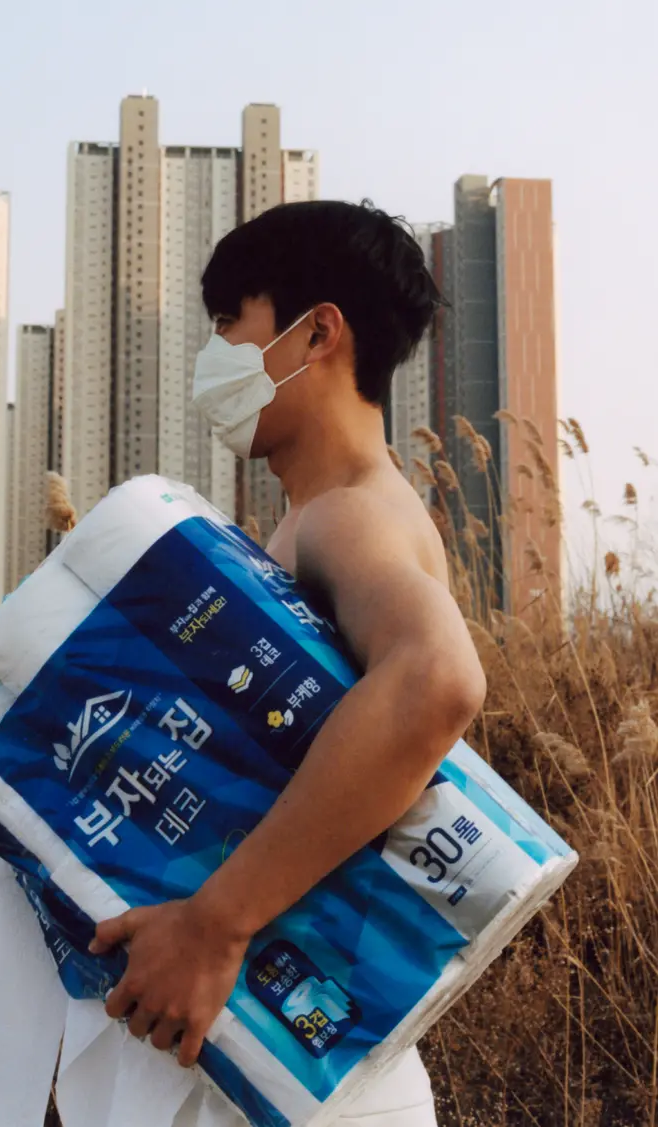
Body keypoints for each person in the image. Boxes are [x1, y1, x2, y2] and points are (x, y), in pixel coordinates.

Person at [88, 200, 487, 1124]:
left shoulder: (348, 514)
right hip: (315, 1059)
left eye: (232, 320)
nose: (214, 350)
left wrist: (215, 920)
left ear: (318, 333)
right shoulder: (334, 513)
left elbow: (439, 680)